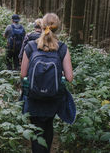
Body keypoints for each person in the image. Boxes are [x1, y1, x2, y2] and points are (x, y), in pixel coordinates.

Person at [20, 13, 73, 153]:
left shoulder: (31, 46)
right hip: (53, 97)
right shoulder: (62, 48)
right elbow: (69, 77)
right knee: (48, 125)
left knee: (36, 127)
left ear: (41, 26)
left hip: (34, 96)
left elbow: (23, 74)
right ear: (58, 28)